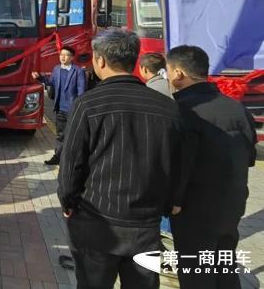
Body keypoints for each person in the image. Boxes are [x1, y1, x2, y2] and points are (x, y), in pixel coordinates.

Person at [58, 28, 183, 289]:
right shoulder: (167, 107)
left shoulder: (88, 104)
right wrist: (169, 203)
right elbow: (175, 163)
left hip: (97, 221)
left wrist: (68, 201)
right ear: (134, 61)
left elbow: (71, 163)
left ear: (100, 60)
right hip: (146, 226)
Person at [166, 46, 257, 289]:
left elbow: (179, 162)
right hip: (232, 204)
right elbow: (249, 156)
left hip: (193, 208)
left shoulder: (182, 111)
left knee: (197, 274)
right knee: (225, 267)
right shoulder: (236, 107)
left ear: (178, 73)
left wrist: (173, 201)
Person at [31, 46, 86, 165]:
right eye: (61, 54)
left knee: (72, 135)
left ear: (72, 58)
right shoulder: (56, 69)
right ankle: (57, 157)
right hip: (60, 109)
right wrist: (39, 77)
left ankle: (71, 159)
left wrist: (80, 108)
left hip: (73, 110)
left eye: (66, 55)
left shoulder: (78, 71)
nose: (63, 57)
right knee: (60, 135)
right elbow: (51, 82)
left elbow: (81, 92)